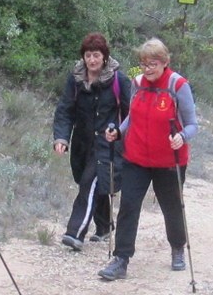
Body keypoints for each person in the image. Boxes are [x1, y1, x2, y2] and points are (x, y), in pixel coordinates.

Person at [98, 38, 199, 281]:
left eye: (153, 64)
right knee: (129, 206)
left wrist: (182, 137)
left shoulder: (178, 85)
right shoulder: (137, 83)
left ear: (165, 62)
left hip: (169, 161)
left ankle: (177, 247)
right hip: (136, 158)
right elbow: (131, 117)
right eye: (144, 64)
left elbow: (193, 124)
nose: (147, 69)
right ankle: (121, 259)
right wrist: (119, 132)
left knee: (172, 207)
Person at [52, 33, 131, 251]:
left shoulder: (119, 80)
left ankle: (75, 233)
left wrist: (121, 135)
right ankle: (105, 227)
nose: (92, 60)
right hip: (82, 143)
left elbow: (130, 113)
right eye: (88, 55)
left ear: (105, 57)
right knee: (88, 181)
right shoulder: (76, 80)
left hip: (108, 144)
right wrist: (61, 137)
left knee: (89, 183)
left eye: (96, 55)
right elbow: (65, 110)